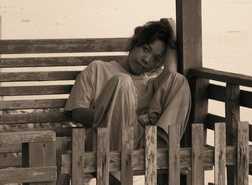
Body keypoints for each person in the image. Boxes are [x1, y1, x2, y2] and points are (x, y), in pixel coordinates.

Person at [65, 18, 191, 150]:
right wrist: (113, 116)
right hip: (104, 144)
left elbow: (171, 74)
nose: (146, 59)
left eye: (156, 58)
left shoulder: (151, 84)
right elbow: (77, 113)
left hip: (140, 147)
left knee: (179, 81)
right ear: (135, 43)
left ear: (160, 64)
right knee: (123, 82)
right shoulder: (98, 69)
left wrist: (171, 36)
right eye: (146, 49)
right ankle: (124, 154)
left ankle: (159, 152)